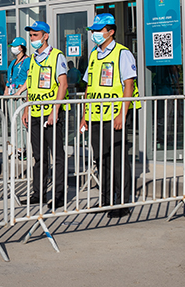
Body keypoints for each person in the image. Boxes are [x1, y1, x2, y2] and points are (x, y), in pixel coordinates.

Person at [79, 13, 141, 219]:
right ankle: (105, 199)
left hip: (115, 116)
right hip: (95, 115)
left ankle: (122, 202)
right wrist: (85, 115)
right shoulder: (94, 55)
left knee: (117, 159)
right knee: (100, 158)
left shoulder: (122, 53)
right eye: (93, 31)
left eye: (99, 30)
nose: (95, 34)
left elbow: (129, 85)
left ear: (111, 31)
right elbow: (89, 86)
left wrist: (122, 114)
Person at [20, 21, 69, 209]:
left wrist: (55, 110)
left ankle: (59, 195)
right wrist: (26, 109)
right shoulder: (33, 59)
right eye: (31, 35)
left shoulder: (56, 56)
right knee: (39, 156)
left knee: (57, 156)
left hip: (51, 114)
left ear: (45, 36)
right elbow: (31, 86)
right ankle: (38, 193)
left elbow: (63, 84)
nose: (32, 38)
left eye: (35, 35)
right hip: (34, 113)